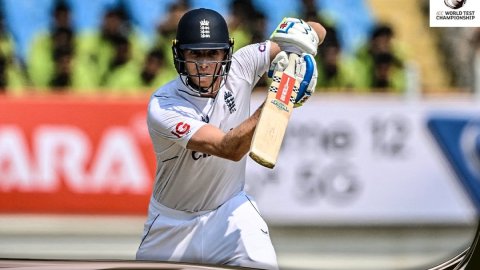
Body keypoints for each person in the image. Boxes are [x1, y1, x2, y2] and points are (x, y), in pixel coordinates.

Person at [135, 8, 325, 270]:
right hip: (171, 225)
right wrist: (281, 93)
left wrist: (295, 55)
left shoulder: (245, 63)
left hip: (230, 212)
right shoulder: (164, 104)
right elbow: (229, 148)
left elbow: (317, 30)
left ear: (227, 52)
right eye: (195, 54)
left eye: (212, 53)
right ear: (179, 54)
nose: (204, 64)